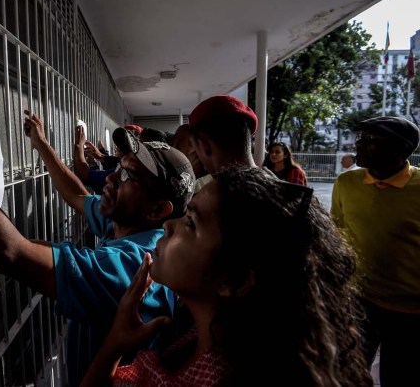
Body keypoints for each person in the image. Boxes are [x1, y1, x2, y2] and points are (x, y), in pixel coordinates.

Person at [0, 71, 194, 386]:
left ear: (158, 209)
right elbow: (75, 193)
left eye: (129, 176)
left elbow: (8, 252)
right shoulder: (128, 223)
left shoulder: (137, 267)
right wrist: (40, 143)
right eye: (119, 167)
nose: (113, 178)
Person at [82, 167, 372, 386]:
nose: (169, 226)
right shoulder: (210, 338)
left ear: (235, 281)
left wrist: (113, 346)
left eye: (191, 222)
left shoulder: (206, 376)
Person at [331, 116, 420, 386]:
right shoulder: (346, 183)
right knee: (347, 375)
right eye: (360, 136)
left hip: (410, 313)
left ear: (400, 149)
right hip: (359, 302)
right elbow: (336, 234)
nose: (358, 144)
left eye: (370, 140)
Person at [187, 95, 259, 183]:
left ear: (204, 147)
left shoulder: (211, 194)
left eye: (195, 149)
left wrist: (190, 177)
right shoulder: (278, 187)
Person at [171, 124, 209, 192]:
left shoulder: (210, 177)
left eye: (180, 140)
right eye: (174, 140)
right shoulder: (171, 168)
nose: (174, 145)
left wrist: (189, 173)